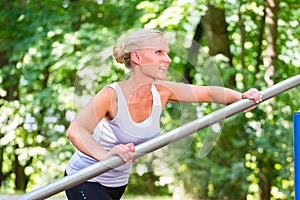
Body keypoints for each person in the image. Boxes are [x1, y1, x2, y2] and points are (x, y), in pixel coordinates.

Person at [64, 29, 262, 200]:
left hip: (117, 182)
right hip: (85, 177)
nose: (168, 59)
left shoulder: (161, 92)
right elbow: (76, 130)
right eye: (159, 52)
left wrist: (241, 97)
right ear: (137, 57)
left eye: (167, 53)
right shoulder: (111, 95)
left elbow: (208, 92)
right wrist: (106, 156)